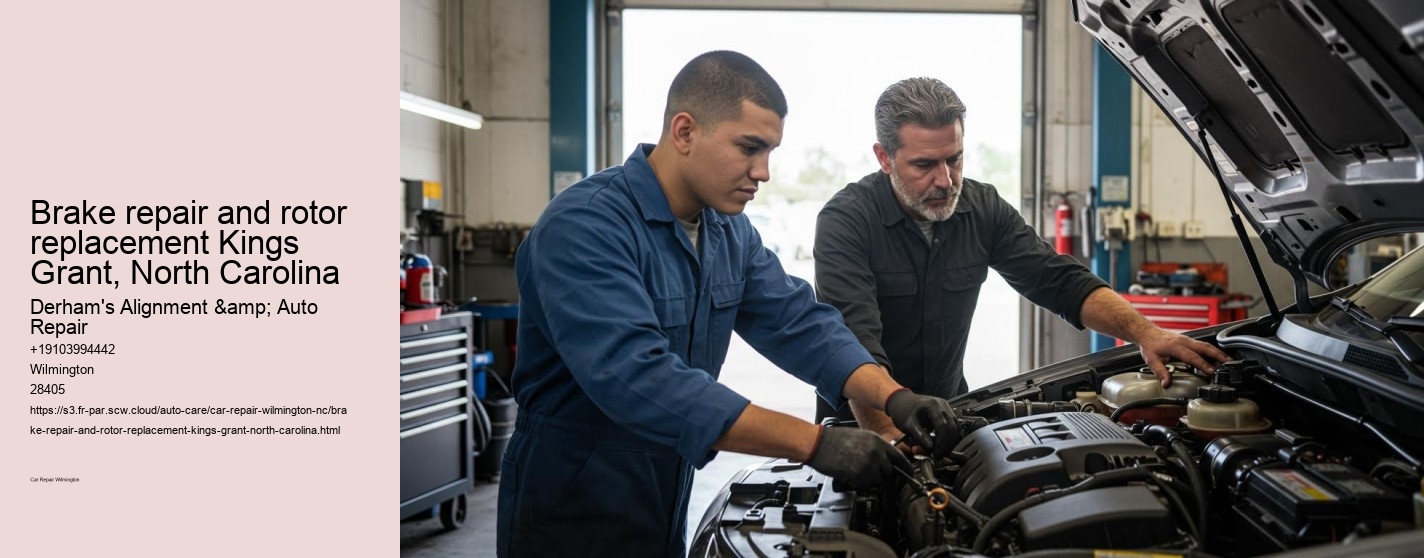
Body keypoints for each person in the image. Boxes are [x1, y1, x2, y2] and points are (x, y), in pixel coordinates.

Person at [497, 52, 956, 557]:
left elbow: (798, 322)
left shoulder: (726, 230)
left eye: (770, 151)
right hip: (571, 506)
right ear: (686, 131)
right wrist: (814, 443)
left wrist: (894, 397)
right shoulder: (586, 226)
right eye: (749, 148)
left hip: (664, 491)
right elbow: (636, 378)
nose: (763, 172)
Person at [814, 77, 1231, 424]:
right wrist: (887, 436)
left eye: (955, 160)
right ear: (885, 158)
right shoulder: (846, 221)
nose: (945, 180)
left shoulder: (983, 208)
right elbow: (854, 343)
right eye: (924, 165)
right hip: (859, 423)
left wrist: (1146, 332)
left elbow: (1058, 279)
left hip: (946, 409)